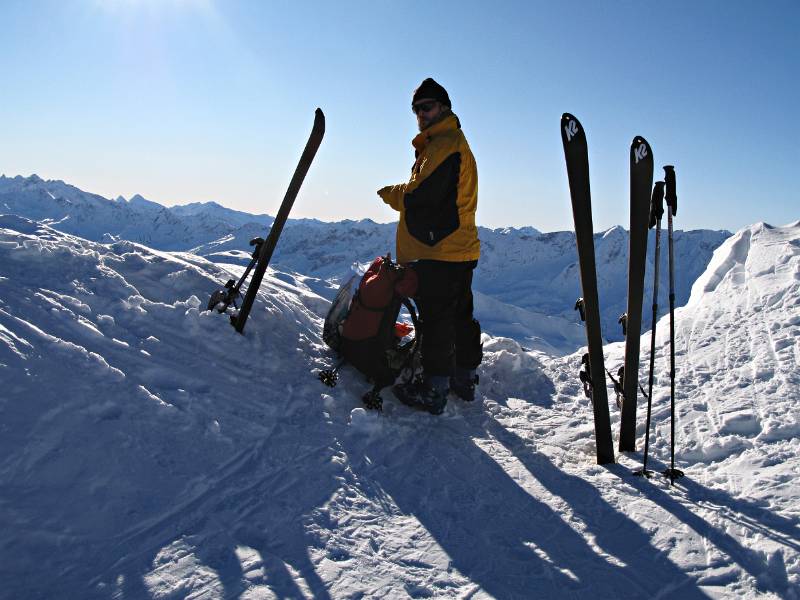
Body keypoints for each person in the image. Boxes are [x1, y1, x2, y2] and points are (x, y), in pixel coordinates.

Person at [377, 77, 482, 414]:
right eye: (416, 109)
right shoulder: (448, 142)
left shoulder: (444, 145)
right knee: (460, 315)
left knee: (438, 318)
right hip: (459, 247)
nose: (421, 114)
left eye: (428, 107)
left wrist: (392, 193)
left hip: (439, 250)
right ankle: (463, 378)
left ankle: (434, 389)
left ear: (444, 107)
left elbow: (422, 196)